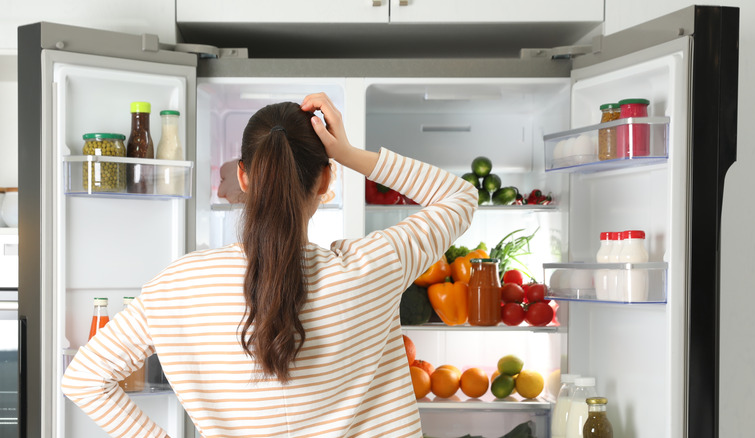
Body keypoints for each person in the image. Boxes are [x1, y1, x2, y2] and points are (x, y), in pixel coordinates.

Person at [61, 93, 478, 437]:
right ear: (326, 181)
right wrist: (348, 152)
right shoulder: (374, 268)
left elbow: (83, 379)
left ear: (243, 177)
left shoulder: (178, 285)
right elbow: (460, 197)